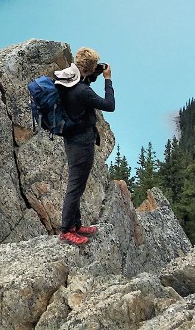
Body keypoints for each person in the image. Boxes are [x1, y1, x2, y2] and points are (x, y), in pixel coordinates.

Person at [54, 46, 114, 245]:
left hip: (71, 137)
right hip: (81, 142)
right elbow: (109, 105)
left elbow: (84, 78)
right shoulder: (83, 91)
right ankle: (66, 230)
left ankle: (76, 225)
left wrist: (94, 71)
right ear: (87, 68)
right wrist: (108, 79)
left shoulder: (68, 78)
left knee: (77, 184)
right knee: (75, 186)